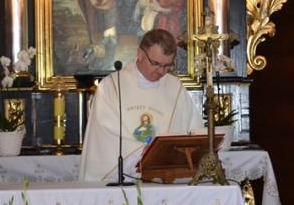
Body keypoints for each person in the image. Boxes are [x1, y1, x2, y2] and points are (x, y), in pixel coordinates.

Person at [78, 28, 203, 183]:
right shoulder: (112, 87)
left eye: (167, 66)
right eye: (156, 64)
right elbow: (104, 137)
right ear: (140, 54)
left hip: (165, 182)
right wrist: (145, 153)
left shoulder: (175, 88)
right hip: (122, 181)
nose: (161, 71)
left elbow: (193, 132)